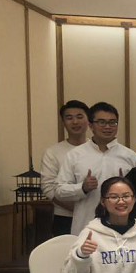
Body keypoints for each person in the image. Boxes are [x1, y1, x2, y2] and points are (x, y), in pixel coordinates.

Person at [55, 102, 136, 236]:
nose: (107, 126)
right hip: (85, 225)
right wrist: (82, 188)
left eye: (112, 122)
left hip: (122, 227)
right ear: (90, 125)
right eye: (101, 122)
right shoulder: (75, 155)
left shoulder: (129, 156)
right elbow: (59, 191)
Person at [65, 177, 136, 273]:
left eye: (126, 196)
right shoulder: (90, 234)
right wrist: (81, 255)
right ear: (103, 201)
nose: (121, 201)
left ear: (134, 199)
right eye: (114, 197)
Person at [41, 100, 89, 237]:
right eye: (69, 118)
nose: (75, 122)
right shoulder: (52, 152)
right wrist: (79, 210)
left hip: (96, 217)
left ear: (89, 120)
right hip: (65, 218)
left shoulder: (97, 149)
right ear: (63, 122)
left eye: (79, 116)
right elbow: (49, 188)